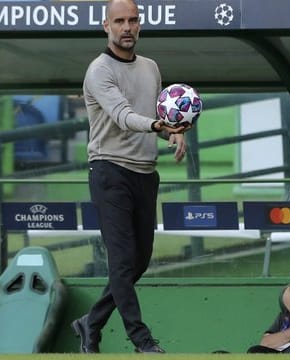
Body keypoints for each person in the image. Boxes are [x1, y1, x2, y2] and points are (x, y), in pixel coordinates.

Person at [71, 0, 191, 354]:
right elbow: (125, 116)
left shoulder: (151, 67)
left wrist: (174, 132)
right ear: (105, 26)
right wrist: (159, 124)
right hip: (109, 171)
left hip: (145, 173)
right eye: (119, 21)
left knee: (138, 262)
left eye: (133, 20)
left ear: (140, 25)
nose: (127, 27)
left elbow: (155, 113)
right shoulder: (99, 70)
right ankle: (142, 340)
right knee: (122, 262)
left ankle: (90, 322)